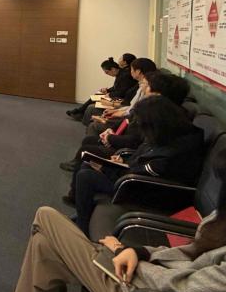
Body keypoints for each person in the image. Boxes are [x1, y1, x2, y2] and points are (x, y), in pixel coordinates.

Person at [9, 142, 226, 292]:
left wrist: (119, 251)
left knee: (46, 217)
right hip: (150, 285)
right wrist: (140, 252)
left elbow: (180, 287)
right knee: (45, 245)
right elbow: (190, 253)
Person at [74, 95, 205, 236]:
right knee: (88, 165)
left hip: (150, 190)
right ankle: (83, 214)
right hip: (139, 178)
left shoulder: (173, 152)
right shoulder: (171, 135)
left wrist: (108, 168)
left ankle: (82, 226)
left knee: (86, 176)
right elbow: (142, 158)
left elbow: (144, 171)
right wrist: (123, 162)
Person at [61, 72, 190, 206]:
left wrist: (114, 144)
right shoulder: (162, 114)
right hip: (130, 159)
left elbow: (138, 144)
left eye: (147, 85)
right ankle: (77, 197)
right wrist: (120, 152)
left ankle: (78, 201)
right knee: (88, 155)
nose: (143, 89)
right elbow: (140, 142)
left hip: (136, 177)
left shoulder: (159, 120)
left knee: (87, 163)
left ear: (158, 94)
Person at [67, 57, 133, 120]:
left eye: (107, 72)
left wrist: (109, 94)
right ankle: (80, 112)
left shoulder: (124, 76)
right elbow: (116, 88)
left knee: (97, 98)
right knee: (97, 95)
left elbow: (121, 92)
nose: (107, 74)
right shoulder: (120, 74)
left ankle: (79, 111)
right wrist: (107, 90)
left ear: (113, 69)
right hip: (118, 97)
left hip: (121, 100)